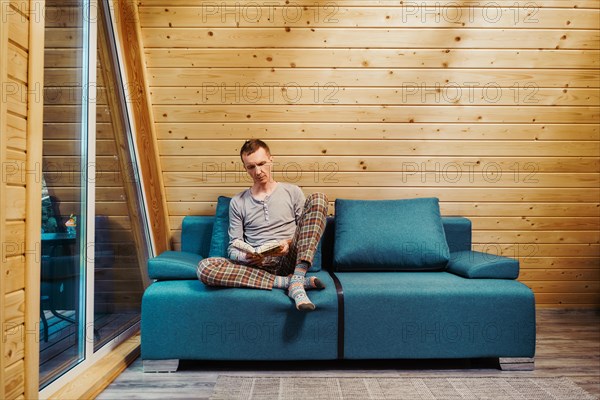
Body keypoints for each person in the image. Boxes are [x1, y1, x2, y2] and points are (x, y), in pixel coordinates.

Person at [197, 139, 328, 311]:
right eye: (251, 167)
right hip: (258, 265)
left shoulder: (292, 191)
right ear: (245, 168)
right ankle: (291, 282)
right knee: (204, 268)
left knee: (318, 198)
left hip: (290, 257)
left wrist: (286, 244)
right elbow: (232, 247)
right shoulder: (238, 202)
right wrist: (247, 257)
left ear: (271, 160)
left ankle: (297, 276)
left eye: (261, 164)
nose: (258, 171)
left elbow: (305, 231)